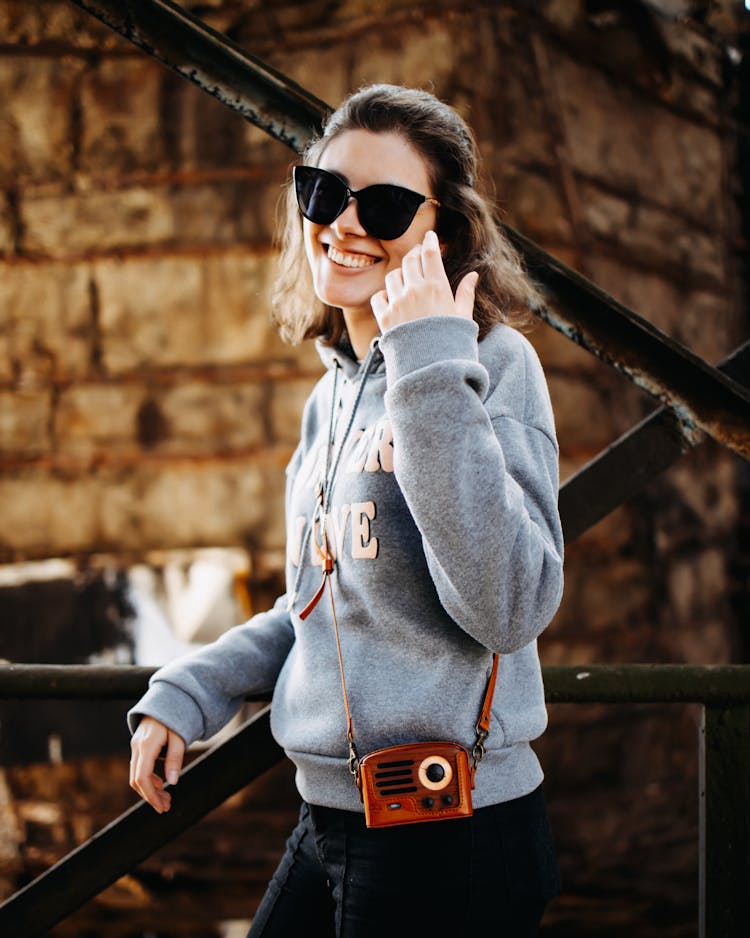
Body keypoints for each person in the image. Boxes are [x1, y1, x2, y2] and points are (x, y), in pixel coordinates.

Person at [129, 83, 564, 937]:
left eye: (388, 204)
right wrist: (187, 691)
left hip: (450, 836)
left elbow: (511, 605)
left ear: (441, 233)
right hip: (329, 819)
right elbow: (316, 610)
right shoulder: (329, 399)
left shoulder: (495, 365)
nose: (347, 222)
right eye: (324, 193)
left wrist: (429, 363)